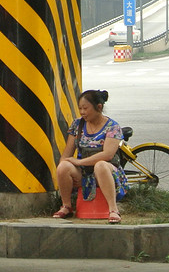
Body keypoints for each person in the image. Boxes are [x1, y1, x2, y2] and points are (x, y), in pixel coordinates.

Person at [52, 89, 128, 224]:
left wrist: (80, 162)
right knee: (63, 166)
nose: (82, 112)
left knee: (100, 165)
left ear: (99, 107)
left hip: (108, 172)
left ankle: (113, 209)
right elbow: (66, 156)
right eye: (80, 108)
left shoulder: (112, 127)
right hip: (85, 174)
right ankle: (66, 206)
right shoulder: (77, 125)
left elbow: (107, 154)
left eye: (85, 108)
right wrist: (69, 170)